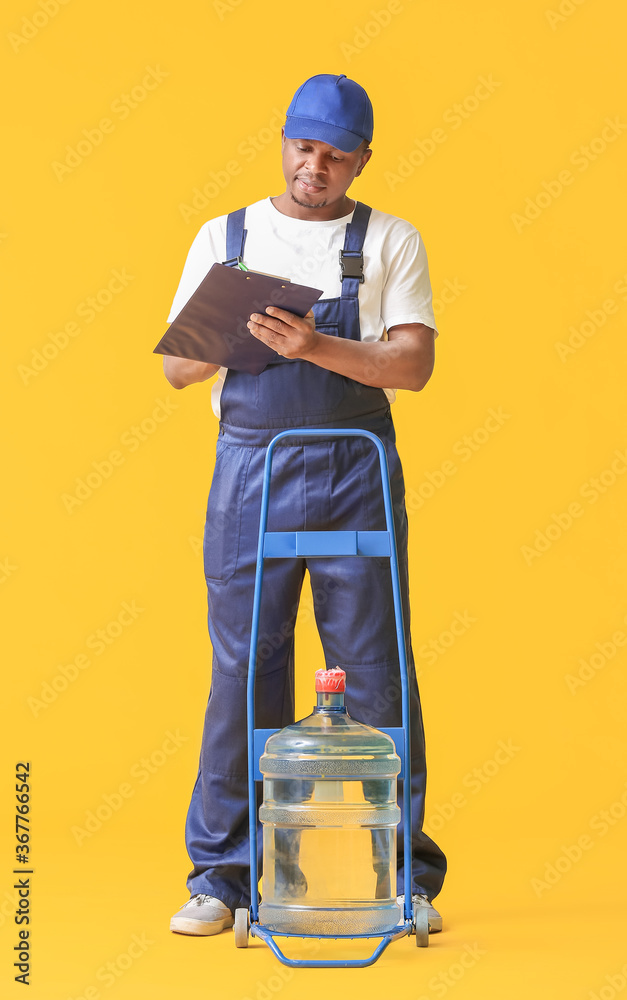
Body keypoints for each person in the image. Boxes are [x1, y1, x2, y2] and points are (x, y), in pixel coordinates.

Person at [162, 73, 447, 938]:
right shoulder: (228, 235)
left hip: (354, 469)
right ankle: (224, 877)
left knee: (375, 672)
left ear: (360, 160)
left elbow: (412, 366)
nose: (311, 166)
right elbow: (176, 371)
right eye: (301, 146)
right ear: (283, 139)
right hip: (250, 469)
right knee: (243, 669)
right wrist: (231, 332)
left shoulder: (390, 240)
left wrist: (316, 344)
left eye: (332, 153)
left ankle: (403, 879)